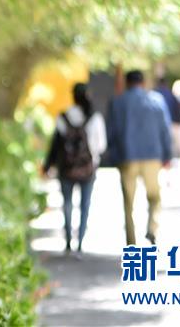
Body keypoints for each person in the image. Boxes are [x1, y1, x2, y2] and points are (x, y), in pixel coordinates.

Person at [108, 70, 172, 246]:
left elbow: (111, 133)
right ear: (143, 83)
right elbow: (165, 130)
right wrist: (167, 155)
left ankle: (131, 241)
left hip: (127, 157)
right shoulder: (156, 101)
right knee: (154, 197)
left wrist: (114, 157)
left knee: (128, 202)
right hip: (152, 157)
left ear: (127, 83)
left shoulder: (117, 102)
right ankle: (152, 229)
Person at [43, 83, 107, 254]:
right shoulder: (95, 118)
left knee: (67, 203)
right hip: (88, 168)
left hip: (66, 168)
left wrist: (47, 165)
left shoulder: (63, 117)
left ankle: (69, 241)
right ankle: (81, 242)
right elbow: (101, 146)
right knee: (85, 204)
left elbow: (55, 145)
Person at [154, 77, 180, 157]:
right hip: (172, 122)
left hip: (158, 123)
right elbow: (177, 108)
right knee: (171, 143)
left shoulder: (154, 94)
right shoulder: (171, 94)